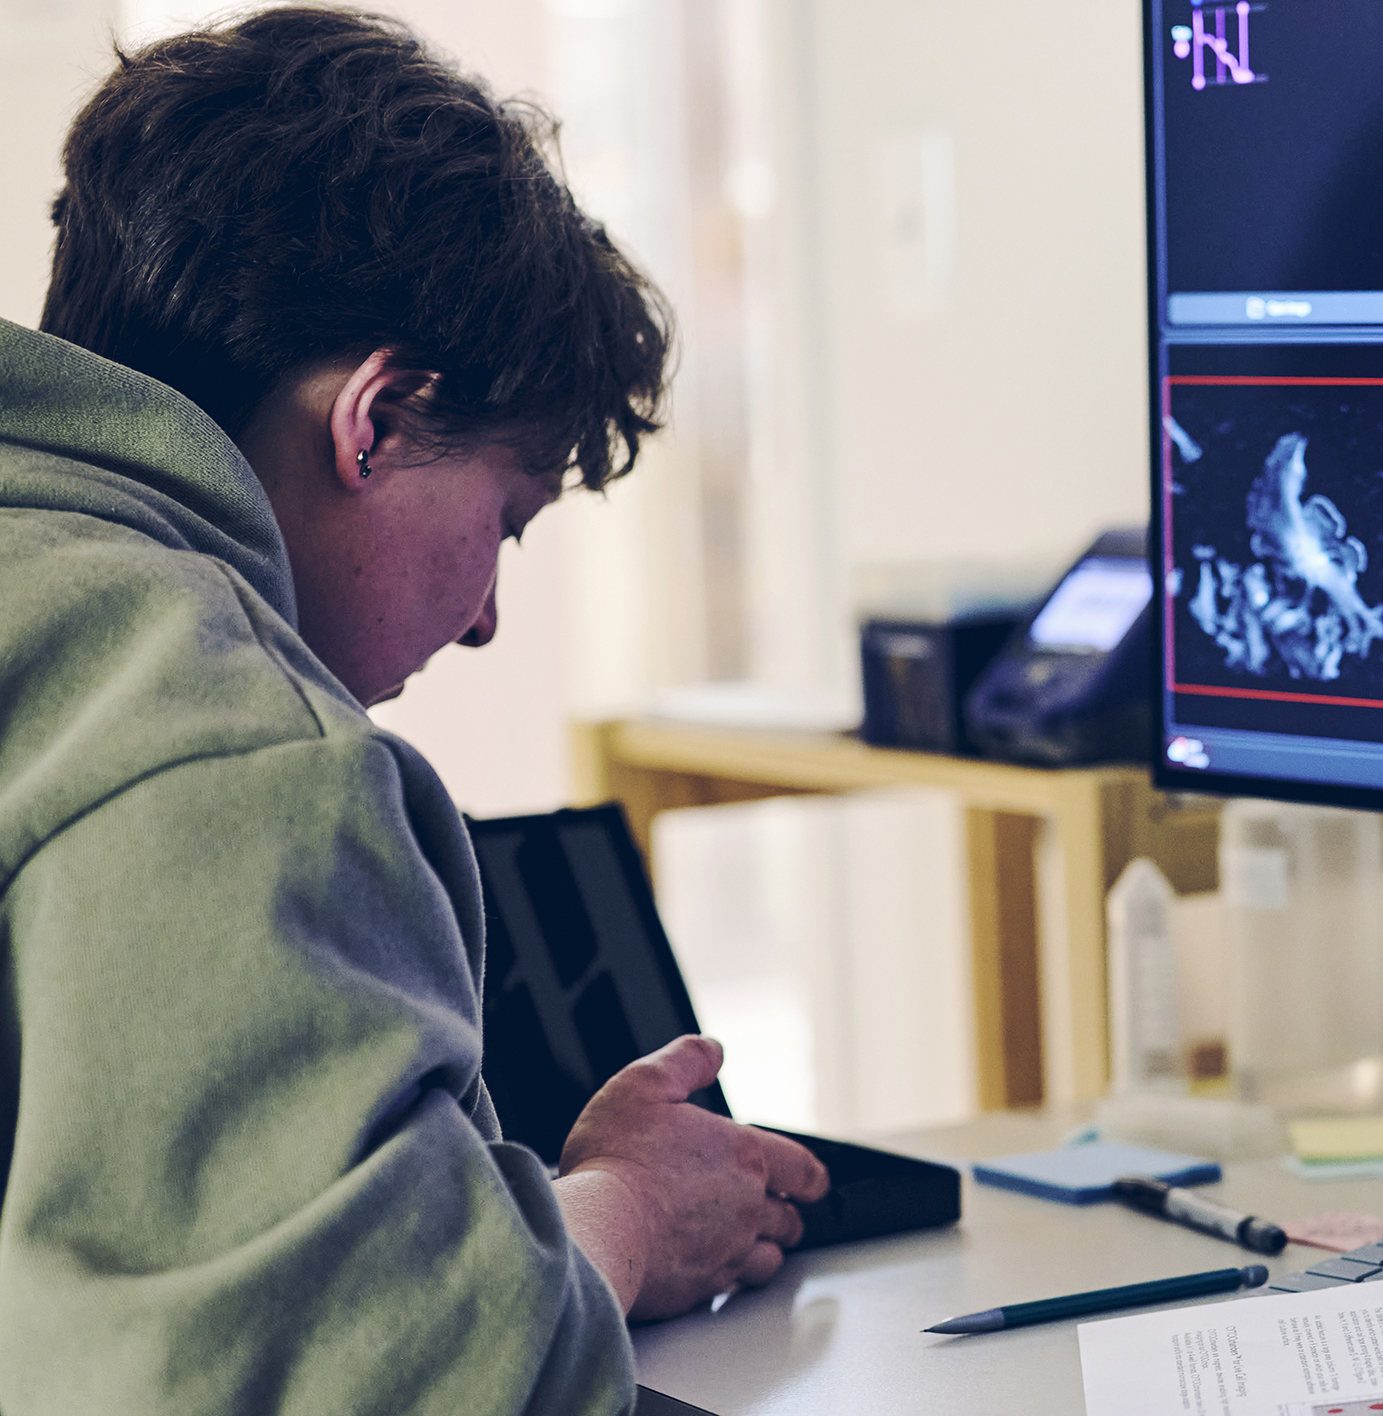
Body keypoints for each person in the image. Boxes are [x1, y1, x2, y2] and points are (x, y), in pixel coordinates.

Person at [0, 8, 827, 1410]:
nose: (490, 612)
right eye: (507, 519)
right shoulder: (223, 747)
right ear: (374, 421)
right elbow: (388, 1382)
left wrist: (524, 1216)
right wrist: (624, 1206)